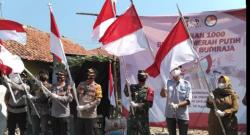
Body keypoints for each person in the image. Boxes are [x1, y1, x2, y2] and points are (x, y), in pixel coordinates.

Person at [160, 66, 192, 135]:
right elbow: (163, 95)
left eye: (177, 68)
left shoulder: (186, 84)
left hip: (182, 115)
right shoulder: (167, 82)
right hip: (170, 114)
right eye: (173, 69)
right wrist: (163, 86)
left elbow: (188, 100)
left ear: (180, 70)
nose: (175, 70)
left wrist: (177, 105)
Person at [124, 70, 154, 135]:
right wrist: (126, 85)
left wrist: (137, 105)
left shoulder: (149, 90)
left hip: (143, 118)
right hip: (132, 116)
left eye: (143, 75)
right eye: (140, 75)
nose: (141, 77)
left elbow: (149, 104)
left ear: (146, 77)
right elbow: (126, 93)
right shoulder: (132, 87)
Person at [76, 68, 103, 135]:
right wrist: (72, 87)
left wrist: (85, 107)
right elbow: (75, 95)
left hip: (90, 116)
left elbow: (98, 101)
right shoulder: (81, 84)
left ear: (95, 76)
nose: (90, 77)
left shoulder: (97, 86)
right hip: (80, 115)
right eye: (89, 75)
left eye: (92, 75)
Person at [27, 70, 52, 135]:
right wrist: (29, 94)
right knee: (35, 130)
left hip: (44, 111)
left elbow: (45, 97)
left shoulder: (49, 86)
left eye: (37, 77)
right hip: (35, 111)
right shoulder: (36, 86)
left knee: (44, 130)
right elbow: (31, 93)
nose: (36, 78)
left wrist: (33, 98)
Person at [50, 71, 73, 135]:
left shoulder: (67, 87)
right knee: (55, 133)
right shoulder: (54, 86)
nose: (59, 77)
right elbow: (49, 96)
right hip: (54, 114)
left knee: (64, 133)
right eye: (58, 76)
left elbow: (70, 99)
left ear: (65, 77)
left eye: (61, 75)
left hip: (63, 115)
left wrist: (58, 97)